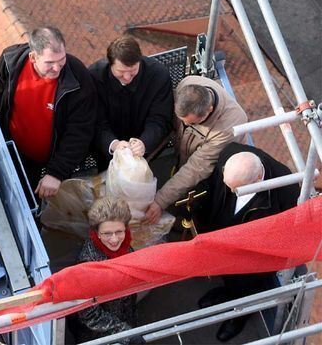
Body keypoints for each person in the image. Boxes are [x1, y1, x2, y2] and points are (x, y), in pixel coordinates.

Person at [191, 142, 300, 341]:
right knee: (228, 273)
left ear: (259, 179)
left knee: (245, 285)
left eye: (236, 189)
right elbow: (213, 185)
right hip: (224, 239)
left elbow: (282, 236)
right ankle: (228, 292)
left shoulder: (286, 191)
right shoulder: (231, 154)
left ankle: (240, 314)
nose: (230, 190)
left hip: (252, 256)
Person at [0, 26, 97, 199]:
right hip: (9, 147)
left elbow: (80, 132)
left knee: (25, 202)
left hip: (46, 162)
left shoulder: (78, 78)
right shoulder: (10, 61)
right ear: (33, 57)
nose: (57, 68)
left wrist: (56, 173)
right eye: (50, 63)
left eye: (61, 60)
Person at [144, 75, 248, 224]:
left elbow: (196, 168)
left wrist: (160, 201)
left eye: (192, 123)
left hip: (209, 170)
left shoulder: (228, 127)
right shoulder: (188, 84)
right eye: (182, 120)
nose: (185, 124)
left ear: (209, 110)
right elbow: (170, 125)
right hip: (186, 150)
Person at [89, 35, 174, 170]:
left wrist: (144, 142)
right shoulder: (94, 77)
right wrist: (113, 144)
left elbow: (160, 118)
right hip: (106, 152)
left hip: (147, 152)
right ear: (110, 64)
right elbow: (93, 120)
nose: (127, 78)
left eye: (133, 71)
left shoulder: (158, 75)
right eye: (121, 72)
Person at [72, 197, 144, 344]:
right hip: (101, 335)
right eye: (107, 233)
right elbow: (89, 314)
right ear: (96, 232)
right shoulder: (88, 263)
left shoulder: (125, 247)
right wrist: (125, 333)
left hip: (126, 317)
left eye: (119, 232)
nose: (114, 239)